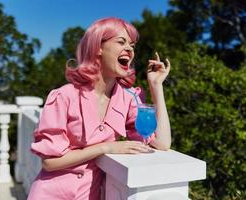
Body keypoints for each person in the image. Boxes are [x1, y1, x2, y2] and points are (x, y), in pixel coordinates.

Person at [27, 17, 171, 200]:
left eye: (132, 45)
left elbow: (162, 143)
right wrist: (107, 147)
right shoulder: (64, 96)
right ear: (98, 48)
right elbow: (50, 162)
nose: (129, 49)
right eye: (121, 42)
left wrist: (156, 86)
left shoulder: (128, 98)